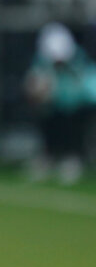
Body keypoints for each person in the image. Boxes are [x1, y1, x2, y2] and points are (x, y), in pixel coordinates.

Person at [24, 22, 96, 185]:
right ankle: (48, 155)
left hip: (78, 104)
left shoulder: (80, 60)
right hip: (54, 106)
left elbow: (86, 90)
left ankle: (73, 157)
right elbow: (34, 86)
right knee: (47, 118)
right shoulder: (41, 61)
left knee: (74, 122)